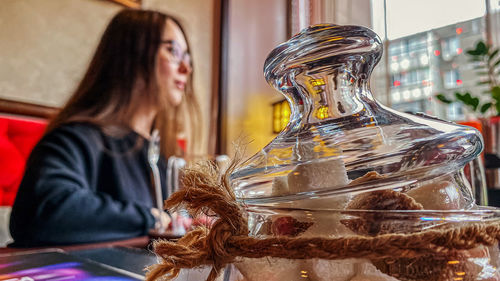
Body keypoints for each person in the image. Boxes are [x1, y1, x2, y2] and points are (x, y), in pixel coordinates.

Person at [9, 9, 200, 247]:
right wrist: (153, 218)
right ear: (131, 55)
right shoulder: (75, 139)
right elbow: (44, 210)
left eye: (188, 58)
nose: (186, 68)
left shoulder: (162, 155)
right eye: (173, 52)